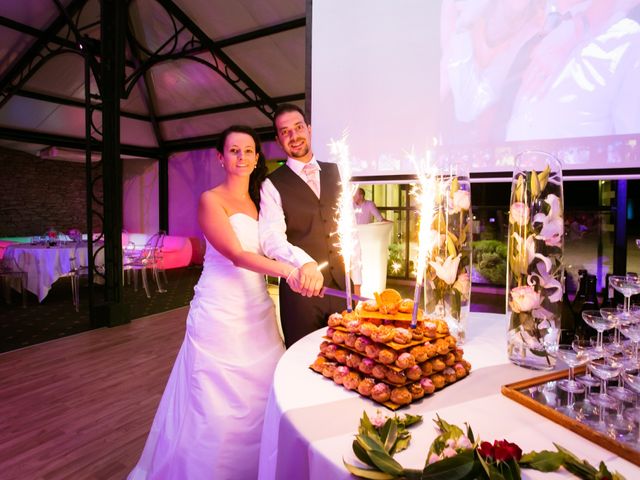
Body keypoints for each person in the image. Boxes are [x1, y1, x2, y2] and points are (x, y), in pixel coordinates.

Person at [128, 125, 312, 480]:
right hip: (220, 310)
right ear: (221, 158)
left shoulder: (261, 202)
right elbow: (236, 255)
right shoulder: (211, 200)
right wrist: (290, 272)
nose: (241, 157)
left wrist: (302, 262)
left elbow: (271, 242)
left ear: (257, 157)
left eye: (248, 151)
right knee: (214, 402)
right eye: (234, 151)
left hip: (256, 308)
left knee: (263, 393)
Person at [259, 103, 362, 348]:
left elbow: (350, 231)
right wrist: (304, 262)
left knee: (346, 357)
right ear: (278, 139)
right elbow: (271, 238)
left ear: (309, 129)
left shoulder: (337, 172)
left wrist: (356, 280)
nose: (294, 136)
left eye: (298, 127)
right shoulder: (271, 184)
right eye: (285, 132)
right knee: (302, 360)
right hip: (300, 293)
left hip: (341, 286)